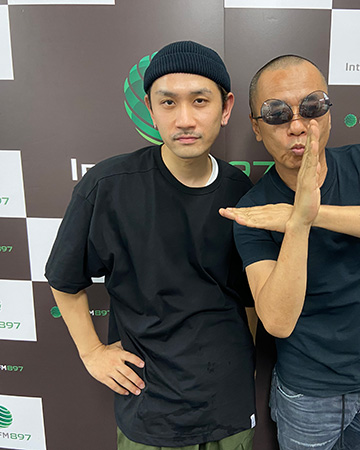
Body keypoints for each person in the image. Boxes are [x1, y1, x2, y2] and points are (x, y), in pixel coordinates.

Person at [219, 55, 360, 450]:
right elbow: (277, 321)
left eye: (312, 106)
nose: (296, 125)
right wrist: (297, 226)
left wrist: (312, 213)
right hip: (308, 395)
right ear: (256, 127)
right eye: (276, 113)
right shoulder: (256, 211)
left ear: (328, 113)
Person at [45, 41, 256, 450]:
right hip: (151, 411)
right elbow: (64, 279)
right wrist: (91, 352)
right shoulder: (108, 187)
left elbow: (247, 298)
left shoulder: (239, 189)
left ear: (226, 107)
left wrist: (246, 363)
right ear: (150, 109)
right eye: (168, 102)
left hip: (229, 407)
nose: (185, 119)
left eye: (200, 101)